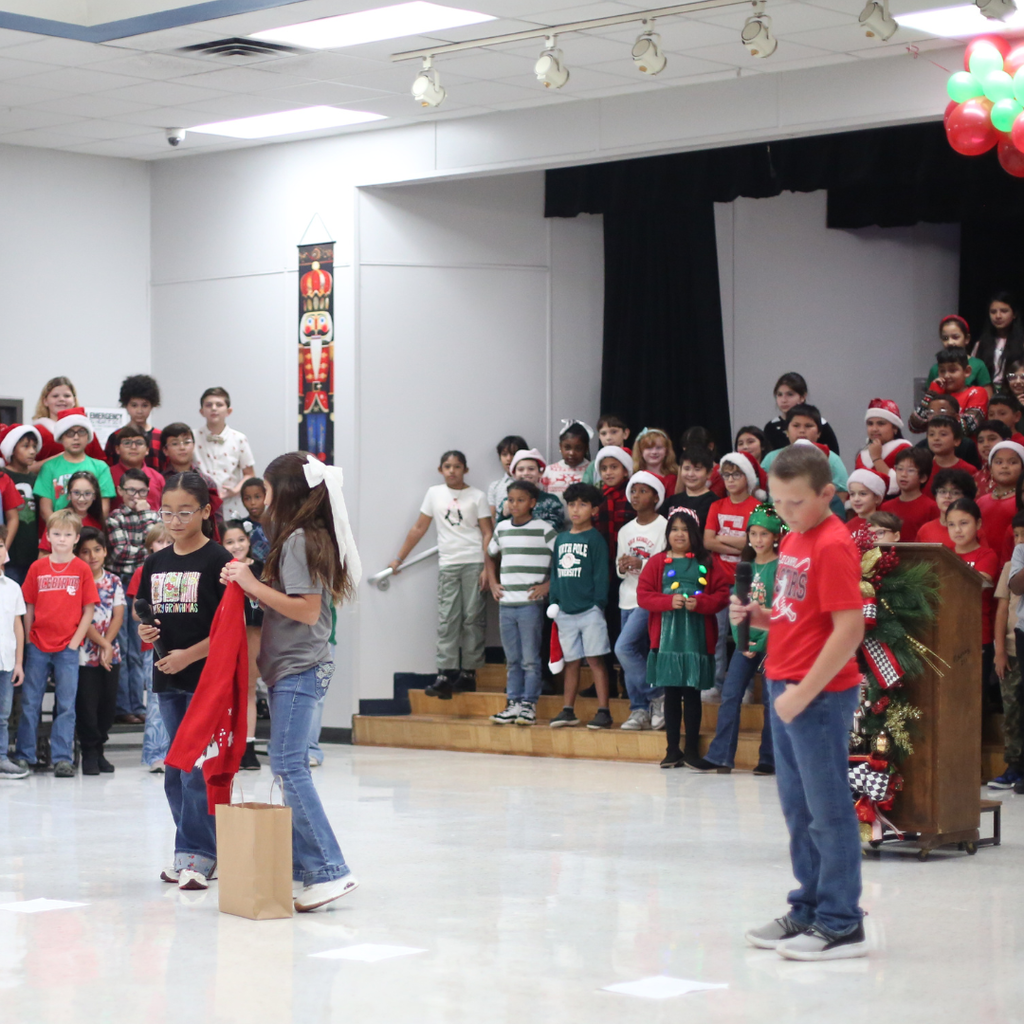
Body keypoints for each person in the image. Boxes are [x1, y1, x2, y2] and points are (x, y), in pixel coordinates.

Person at [736, 444, 868, 961]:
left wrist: (803, 694)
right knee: (799, 809)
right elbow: (799, 613)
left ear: (827, 494)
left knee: (827, 809)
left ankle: (842, 921)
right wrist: (760, 617)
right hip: (786, 683)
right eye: (777, 501)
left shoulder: (832, 543)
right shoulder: (795, 537)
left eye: (796, 502)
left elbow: (849, 630)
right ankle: (808, 907)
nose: (785, 512)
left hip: (818, 694)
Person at [221, 451, 361, 911]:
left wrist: (250, 583)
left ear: (286, 492)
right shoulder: (297, 536)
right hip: (293, 665)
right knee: (288, 766)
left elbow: (306, 609)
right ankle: (304, 868)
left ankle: (330, 870)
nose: (262, 499)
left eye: (267, 489)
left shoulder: (300, 539)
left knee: (288, 766)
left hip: (301, 666)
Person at [137, 472, 232, 891]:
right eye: (167, 513)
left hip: (204, 679)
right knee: (176, 770)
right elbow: (145, 612)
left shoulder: (218, 561)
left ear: (206, 511)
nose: (175, 521)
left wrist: (188, 656)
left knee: (197, 768)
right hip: (167, 677)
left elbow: (228, 629)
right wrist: (146, 632)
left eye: (185, 513)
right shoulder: (155, 563)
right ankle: (193, 851)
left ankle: (199, 853)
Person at [389, 450, 492, 698]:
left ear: (465, 469)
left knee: (472, 617)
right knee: (448, 619)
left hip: (474, 562)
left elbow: (488, 533)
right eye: (447, 466)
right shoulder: (434, 494)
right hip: (449, 563)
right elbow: (419, 527)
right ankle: (445, 673)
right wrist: (399, 559)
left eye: (457, 466)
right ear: (440, 470)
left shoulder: (477, 496)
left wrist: (488, 568)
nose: (452, 471)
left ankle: (468, 674)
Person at [691, 503, 782, 775]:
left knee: (770, 700)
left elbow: (782, 610)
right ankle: (721, 755)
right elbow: (736, 609)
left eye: (764, 534)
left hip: (773, 644)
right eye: (753, 534)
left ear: (775, 536)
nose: (758, 540)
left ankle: (769, 758)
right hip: (746, 644)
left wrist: (761, 642)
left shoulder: (782, 568)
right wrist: (744, 641)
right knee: (730, 694)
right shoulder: (745, 567)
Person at [637, 509, 729, 767]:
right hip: (666, 642)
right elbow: (643, 595)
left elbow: (722, 595)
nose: (680, 534)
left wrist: (701, 603)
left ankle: (691, 751)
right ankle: (672, 750)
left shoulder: (707, 562)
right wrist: (667, 601)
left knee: (691, 694)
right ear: (668, 533)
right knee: (671, 693)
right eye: (675, 529)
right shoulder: (657, 562)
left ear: (695, 534)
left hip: (696, 641)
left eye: (685, 530)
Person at [13, 508, 98, 778]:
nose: (62, 539)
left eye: (67, 535)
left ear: (76, 538)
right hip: (38, 645)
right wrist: (29, 639)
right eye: (57, 534)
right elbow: (28, 605)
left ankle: (62, 758)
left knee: (66, 704)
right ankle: (25, 755)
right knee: (30, 703)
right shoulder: (37, 568)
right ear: (47, 536)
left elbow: (88, 609)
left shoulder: (82, 569)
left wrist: (74, 643)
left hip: (67, 649)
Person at [486, 480, 556, 727]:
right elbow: (490, 554)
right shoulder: (502, 528)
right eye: (511, 500)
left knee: (530, 659)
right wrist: (493, 583)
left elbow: (563, 558)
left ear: (532, 503)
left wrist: (548, 585)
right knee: (512, 659)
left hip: (530, 605)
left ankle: (529, 705)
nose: (514, 504)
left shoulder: (544, 529)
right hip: (506, 604)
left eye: (521, 500)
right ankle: (513, 703)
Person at [547, 483, 612, 730]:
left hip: (590, 611)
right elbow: (555, 574)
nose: (575, 509)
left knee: (595, 660)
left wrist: (598, 604)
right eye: (572, 504)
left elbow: (601, 574)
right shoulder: (561, 539)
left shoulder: (595, 540)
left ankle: (604, 711)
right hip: (564, 612)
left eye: (582, 504)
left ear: (594, 510)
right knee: (571, 661)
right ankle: (568, 710)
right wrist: (555, 601)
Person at [704, 451, 763, 691]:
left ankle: (745, 688)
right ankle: (715, 683)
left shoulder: (758, 508)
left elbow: (757, 544)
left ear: (747, 477)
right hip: (718, 581)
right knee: (716, 635)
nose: (730, 479)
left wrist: (722, 537)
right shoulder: (716, 505)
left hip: (745, 582)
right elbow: (707, 541)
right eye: (726, 475)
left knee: (745, 635)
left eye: (736, 474)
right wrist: (740, 544)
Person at [105, 469, 161, 725]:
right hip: (121, 583)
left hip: (145, 583)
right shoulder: (115, 517)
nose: (136, 496)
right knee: (123, 646)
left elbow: (156, 548)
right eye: (131, 490)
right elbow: (120, 553)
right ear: (120, 490)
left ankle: (138, 705)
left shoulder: (152, 515)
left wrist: (147, 516)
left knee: (139, 648)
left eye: (141, 491)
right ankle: (122, 706)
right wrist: (146, 550)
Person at [614, 472, 667, 731]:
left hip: (649, 597)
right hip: (626, 596)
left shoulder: (665, 526)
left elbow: (664, 568)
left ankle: (658, 694)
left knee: (624, 649)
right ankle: (639, 709)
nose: (636, 496)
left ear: (656, 497)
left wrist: (641, 563)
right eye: (633, 491)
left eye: (643, 491)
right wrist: (623, 567)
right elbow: (619, 570)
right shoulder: (625, 530)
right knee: (633, 655)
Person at [73, 528, 125, 776]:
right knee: (87, 706)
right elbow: (81, 619)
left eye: (97, 550)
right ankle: (89, 752)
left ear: (105, 551)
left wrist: (108, 644)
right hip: (85, 655)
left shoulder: (114, 581)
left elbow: (118, 615)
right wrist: (103, 644)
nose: (92, 556)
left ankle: (100, 749)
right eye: (85, 551)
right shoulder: (77, 581)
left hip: (111, 654)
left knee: (107, 706)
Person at [128, 523, 172, 773]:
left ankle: (178, 753)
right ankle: (156, 754)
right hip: (152, 644)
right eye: (159, 542)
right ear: (150, 546)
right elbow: (136, 612)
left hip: (182, 642)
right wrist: (155, 611)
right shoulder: (143, 570)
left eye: (169, 541)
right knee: (156, 699)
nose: (164, 546)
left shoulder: (184, 568)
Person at [221, 520, 265, 769]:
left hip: (252, 634)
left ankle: (247, 748)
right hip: (226, 635)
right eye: (229, 542)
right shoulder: (221, 570)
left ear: (249, 541)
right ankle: (225, 746)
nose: (236, 546)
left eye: (241, 540)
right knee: (225, 690)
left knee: (248, 689)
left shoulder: (260, 569)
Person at [947, 497, 998, 707]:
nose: (957, 530)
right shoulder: (944, 555)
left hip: (978, 633)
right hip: (947, 633)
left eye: (964, 523)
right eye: (951, 524)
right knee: (950, 694)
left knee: (974, 697)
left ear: (978, 524)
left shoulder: (987, 555)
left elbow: (977, 583)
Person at [990, 510, 1024, 790]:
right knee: (1013, 709)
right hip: (1014, 647)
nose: (1020, 540)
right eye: (1017, 535)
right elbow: (1004, 606)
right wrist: (999, 650)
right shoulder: (1015, 561)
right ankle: (1014, 765)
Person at [33, 408, 115, 525]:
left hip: (91, 530)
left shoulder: (100, 467)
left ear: (88, 436)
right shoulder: (49, 467)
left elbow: (104, 509)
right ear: (61, 437)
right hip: (59, 530)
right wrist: (63, 529)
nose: (76, 437)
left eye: (81, 432)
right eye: (69, 433)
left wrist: (86, 529)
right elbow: (45, 510)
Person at [761, 407, 849, 507]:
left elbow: (841, 494)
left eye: (808, 426)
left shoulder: (831, 459)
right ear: (787, 431)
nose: (802, 431)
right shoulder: (771, 458)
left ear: (819, 433)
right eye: (796, 426)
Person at [192, 387, 255, 521]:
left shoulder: (239, 438)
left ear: (228, 411)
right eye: (209, 405)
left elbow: (249, 474)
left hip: (230, 506)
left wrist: (235, 490)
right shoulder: (192, 437)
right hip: (199, 505)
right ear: (201, 411)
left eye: (219, 404)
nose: (214, 408)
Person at [0, 525, 28, 779]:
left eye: (0, 545)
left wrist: (19, 663)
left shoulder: (12, 587)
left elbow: (18, 627)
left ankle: (1, 758)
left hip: (7, 662)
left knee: (3, 715)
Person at [160, 422, 224, 526]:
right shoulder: (160, 481)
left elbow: (217, 521)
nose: (182, 447)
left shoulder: (206, 481)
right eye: (175, 444)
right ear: (165, 450)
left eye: (187, 442)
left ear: (194, 445)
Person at [0, 424, 41, 584]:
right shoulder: (4, 476)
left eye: (34, 447)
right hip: (10, 549)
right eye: (25, 446)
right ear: (12, 449)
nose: (32, 451)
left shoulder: (36, 479)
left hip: (31, 547)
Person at [31, 377, 106, 463]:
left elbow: (101, 462)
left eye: (67, 396)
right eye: (55, 396)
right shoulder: (37, 431)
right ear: (45, 401)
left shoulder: (86, 431)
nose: (61, 399)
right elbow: (26, 467)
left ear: (74, 400)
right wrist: (60, 459)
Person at [763, 373, 841, 454]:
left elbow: (833, 455)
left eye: (790, 394)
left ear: (802, 397)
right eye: (779, 395)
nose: (783, 400)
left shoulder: (820, 423)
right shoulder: (771, 427)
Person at [922, 347, 988, 437]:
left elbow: (969, 425)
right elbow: (915, 425)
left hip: (966, 445)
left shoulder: (977, 392)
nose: (946, 375)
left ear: (967, 371)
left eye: (952, 370)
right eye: (942, 371)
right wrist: (930, 395)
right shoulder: (936, 394)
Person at [852, 399, 911, 496]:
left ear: (895, 428)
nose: (874, 429)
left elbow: (898, 484)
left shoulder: (905, 450)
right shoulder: (862, 454)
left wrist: (877, 458)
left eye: (881, 424)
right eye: (870, 424)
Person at [496, 450, 565, 532]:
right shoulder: (507, 502)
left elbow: (556, 528)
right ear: (514, 474)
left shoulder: (551, 501)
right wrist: (504, 514)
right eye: (521, 470)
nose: (526, 473)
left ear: (540, 472)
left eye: (531, 469)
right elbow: (498, 529)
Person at [104, 374, 163, 468]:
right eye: (134, 405)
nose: (139, 411)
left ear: (152, 406)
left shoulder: (160, 437)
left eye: (145, 405)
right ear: (126, 406)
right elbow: (109, 468)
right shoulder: (115, 436)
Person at [39, 470, 104, 553]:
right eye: (76, 493)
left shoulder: (96, 523)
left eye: (87, 493)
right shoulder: (58, 520)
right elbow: (43, 556)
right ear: (69, 494)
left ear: (94, 496)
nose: (81, 499)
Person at [880, 448, 938, 542]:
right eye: (900, 469)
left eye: (910, 470)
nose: (903, 474)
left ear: (923, 478)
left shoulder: (931, 507)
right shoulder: (885, 507)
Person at [978, 441, 1024, 558]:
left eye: (1012, 462)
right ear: (990, 469)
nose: (1004, 466)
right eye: (998, 462)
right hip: (985, 560)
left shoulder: (1021, 499)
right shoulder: (981, 501)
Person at [927, 315, 992, 395]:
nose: (950, 342)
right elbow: (928, 397)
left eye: (955, 337)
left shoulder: (978, 365)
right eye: (945, 338)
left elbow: (987, 396)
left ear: (967, 339)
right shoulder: (935, 368)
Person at [912, 394, 982, 468]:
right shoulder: (921, 448)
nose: (936, 415)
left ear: (957, 417)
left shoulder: (967, 445)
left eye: (942, 411)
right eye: (931, 412)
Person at [593, 446, 636, 566]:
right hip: (601, 558)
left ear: (625, 471)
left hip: (628, 557)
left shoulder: (633, 496)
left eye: (614, 467)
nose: (608, 472)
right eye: (604, 468)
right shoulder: (597, 498)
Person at [973, 290, 1024, 388]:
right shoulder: (981, 344)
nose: (998, 316)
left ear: (1014, 314)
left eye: (1004, 311)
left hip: (1015, 392)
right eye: (993, 312)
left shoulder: (1022, 343)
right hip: (985, 392)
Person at [108, 424, 165, 510]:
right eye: (127, 443)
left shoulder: (158, 478)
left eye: (139, 443)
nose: (133, 447)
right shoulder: (108, 475)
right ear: (117, 449)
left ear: (147, 450)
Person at [916, 468, 977, 547]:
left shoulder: (973, 529)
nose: (947, 496)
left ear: (966, 497)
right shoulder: (925, 530)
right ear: (935, 495)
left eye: (955, 493)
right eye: (943, 491)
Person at [667, 447, 717, 530]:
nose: (690, 474)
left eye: (697, 469)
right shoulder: (671, 501)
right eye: (686, 469)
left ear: (709, 473)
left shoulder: (714, 503)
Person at [924, 414, 976, 493]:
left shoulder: (968, 470)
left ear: (957, 441)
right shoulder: (923, 468)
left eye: (943, 434)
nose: (936, 438)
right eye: (932, 434)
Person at [540, 420, 592, 496]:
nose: (572, 453)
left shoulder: (592, 470)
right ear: (560, 446)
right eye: (567, 448)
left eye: (578, 448)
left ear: (586, 448)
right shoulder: (549, 471)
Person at [582, 415, 632, 485]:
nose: (608, 438)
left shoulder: (635, 461)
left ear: (625, 433)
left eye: (614, 432)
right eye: (603, 433)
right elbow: (584, 489)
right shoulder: (593, 466)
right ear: (599, 436)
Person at [486, 435, 527, 518]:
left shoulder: (533, 483)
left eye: (513, 454)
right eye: (504, 454)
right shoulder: (495, 486)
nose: (508, 458)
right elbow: (492, 517)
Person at [630, 428, 678, 497]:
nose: (654, 452)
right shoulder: (634, 476)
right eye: (649, 448)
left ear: (667, 451)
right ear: (640, 451)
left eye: (659, 448)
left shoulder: (673, 478)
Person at [845, 469, 887, 541]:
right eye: (852, 494)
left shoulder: (884, 525)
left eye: (863, 494)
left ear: (877, 498)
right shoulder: (847, 527)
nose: (856, 499)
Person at [974, 419, 1011, 497]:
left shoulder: (1016, 475)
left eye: (992, 439)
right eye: (981, 441)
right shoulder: (975, 478)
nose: (985, 444)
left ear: (1007, 441)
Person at [240, 477, 270, 560]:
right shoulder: (240, 527)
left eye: (257, 497)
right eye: (247, 498)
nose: (253, 502)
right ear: (242, 501)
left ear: (266, 497)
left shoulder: (276, 525)